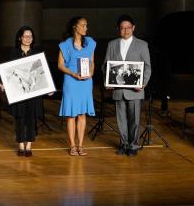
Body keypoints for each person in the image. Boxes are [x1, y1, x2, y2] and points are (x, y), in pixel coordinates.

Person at [103, 14, 152, 156]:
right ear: (118, 29)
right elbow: (106, 66)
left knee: (134, 120)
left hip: (135, 90)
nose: (125, 30)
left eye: (128, 28)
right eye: (122, 28)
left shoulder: (142, 45)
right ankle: (124, 144)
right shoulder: (112, 44)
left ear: (133, 28)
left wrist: (143, 83)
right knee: (121, 120)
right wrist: (107, 81)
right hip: (118, 90)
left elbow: (147, 67)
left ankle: (134, 146)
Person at [1, 26, 48, 157]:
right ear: (20, 38)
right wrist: (4, 84)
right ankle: (21, 144)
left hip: (33, 91)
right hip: (19, 91)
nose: (28, 39)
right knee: (20, 117)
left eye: (30, 36)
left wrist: (48, 88)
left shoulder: (37, 54)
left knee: (31, 118)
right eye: (26, 36)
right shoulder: (13, 53)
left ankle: (29, 145)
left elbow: (42, 74)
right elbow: (8, 72)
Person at [57, 15, 96, 156]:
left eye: (86, 25)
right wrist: (73, 74)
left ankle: (80, 145)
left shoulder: (90, 42)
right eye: (83, 25)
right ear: (75, 27)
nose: (86, 28)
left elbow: (92, 62)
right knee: (71, 114)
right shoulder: (66, 44)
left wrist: (90, 73)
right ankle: (72, 145)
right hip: (71, 80)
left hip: (85, 82)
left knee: (82, 114)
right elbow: (60, 65)